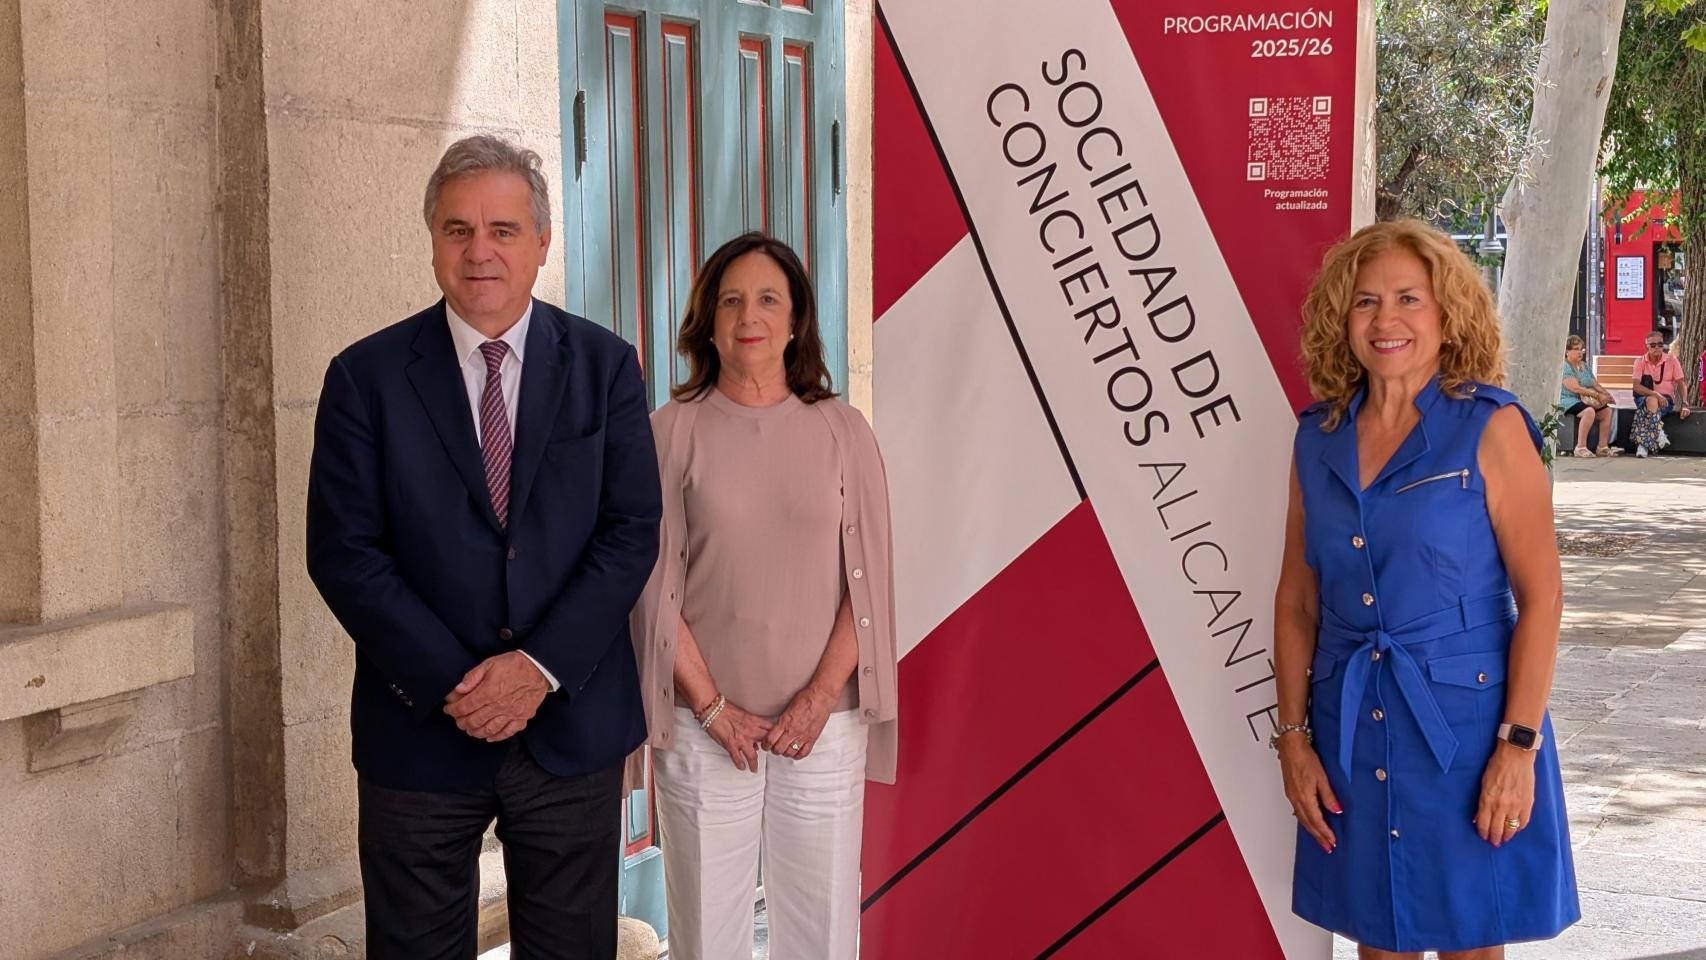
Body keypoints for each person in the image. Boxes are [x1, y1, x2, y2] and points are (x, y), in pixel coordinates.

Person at [305, 135, 662, 959]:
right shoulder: (365, 376)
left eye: (503, 229)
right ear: (432, 240)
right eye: (458, 229)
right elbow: (345, 552)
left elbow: (629, 530)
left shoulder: (606, 368)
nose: (480, 251)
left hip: (568, 725)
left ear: (541, 244)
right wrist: (459, 685)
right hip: (419, 725)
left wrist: (534, 671)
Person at [1274, 219, 1578, 958]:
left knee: (1470, 938)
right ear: (1341, 319)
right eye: (1366, 302)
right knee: (1381, 940)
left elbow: (1542, 598)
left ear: (1447, 314)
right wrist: (1293, 740)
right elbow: (1297, 602)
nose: (1387, 321)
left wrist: (1517, 750)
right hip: (1353, 725)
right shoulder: (1316, 438)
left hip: (1469, 734)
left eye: (1409, 298)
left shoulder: (1491, 426)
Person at [629, 232, 897, 960]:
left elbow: (867, 583)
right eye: (732, 299)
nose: (751, 314)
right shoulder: (670, 431)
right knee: (707, 939)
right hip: (705, 732)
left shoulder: (843, 432)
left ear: (797, 319)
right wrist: (712, 706)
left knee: (822, 935)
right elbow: (649, 581)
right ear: (709, 322)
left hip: (824, 728)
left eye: (769, 298)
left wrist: (817, 698)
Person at [1631, 330, 1690, 457]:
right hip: (1643, 398)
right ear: (1646, 346)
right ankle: (1658, 432)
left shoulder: (1672, 360)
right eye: (1653, 345)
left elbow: (1681, 384)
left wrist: (1685, 404)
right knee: (1651, 399)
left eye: (1660, 344)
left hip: (1666, 401)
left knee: (1645, 412)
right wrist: (1656, 394)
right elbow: (1636, 386)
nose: (1657, 347)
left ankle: (1643, 446)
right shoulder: (1640, 362)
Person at [1559, 335, 1618, 457]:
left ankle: (1602, 447)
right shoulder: (1565, 367)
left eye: (1582, 349)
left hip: (1584, 399)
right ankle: (1580, 448)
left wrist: (1606, 394)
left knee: (1607, 411)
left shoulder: (1584, 366)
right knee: (1589, 411)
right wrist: (1597, 395)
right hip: (1568, 399)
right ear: (1567, 351)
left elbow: (1594, 383)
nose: (1580, 352)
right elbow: (1576, 388)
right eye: (1576, 349)